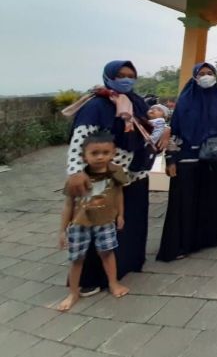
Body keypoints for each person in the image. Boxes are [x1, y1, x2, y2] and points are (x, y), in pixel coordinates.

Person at [64, 60, 162, 297]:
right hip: (102, 178)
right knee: (95, 223)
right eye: (120, 75)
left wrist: (164, 129)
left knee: (128, 222)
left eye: (130, 75)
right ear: (109, 77)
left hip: (133, 173)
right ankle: (90, 278)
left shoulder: (135, 102)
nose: (126, 79)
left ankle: (125, 265)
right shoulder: (96, 105)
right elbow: (80, 139)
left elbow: (148, 127)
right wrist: (76, 171)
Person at [157, 62, 217, 262]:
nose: (206, 76)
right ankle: (181, 244)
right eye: (202, 74)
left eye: (210, 73)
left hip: (212, 158)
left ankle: (208, 238)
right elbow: (174, 131)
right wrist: (170, 159)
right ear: (194, 77)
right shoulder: (185, 100)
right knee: (185, 202)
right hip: (187, 159)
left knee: (210, 199)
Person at [58, 132, 129, 311]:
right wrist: (62, 230)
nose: (100, 157)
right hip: (80, 224)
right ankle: (74, 292)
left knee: (107, 253)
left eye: (105, 152)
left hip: (105, 221)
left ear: (113, 153)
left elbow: (120, 193)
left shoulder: (116, 172)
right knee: (77, 258)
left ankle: (113, 283)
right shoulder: (76, 179)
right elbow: (69, 204)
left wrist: (120, 215)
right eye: (94, 153)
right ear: (84, 156)